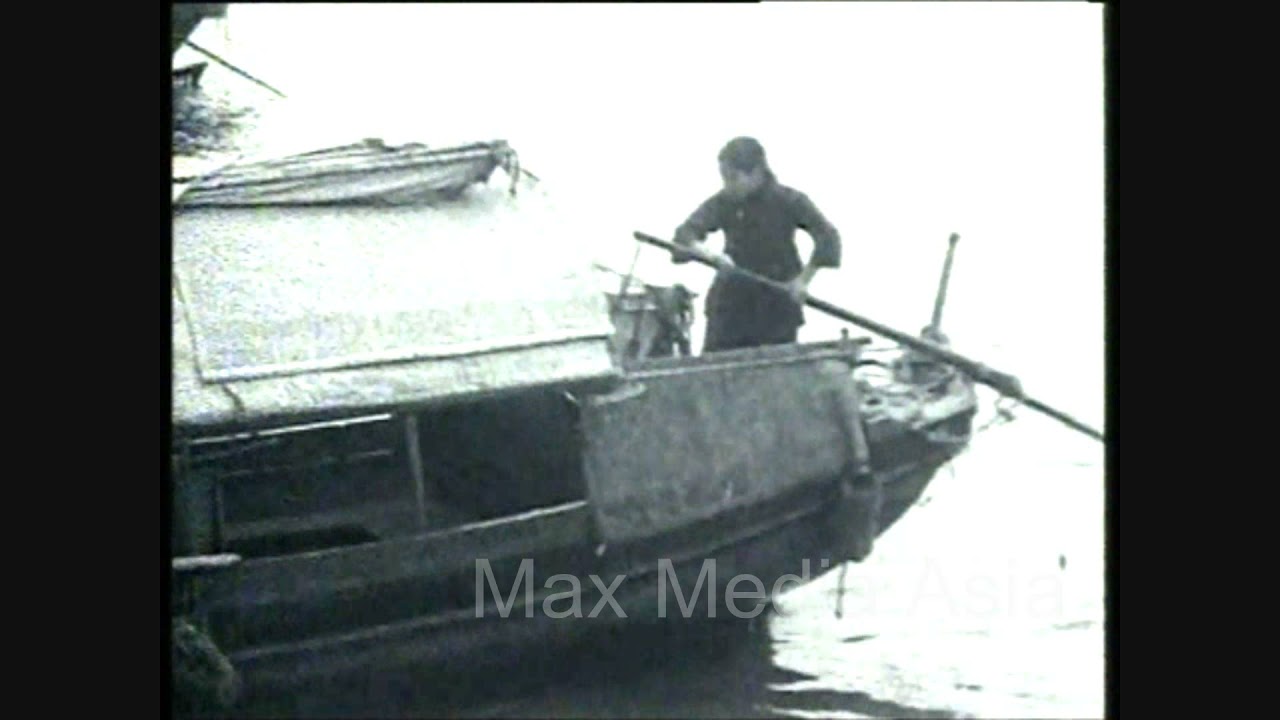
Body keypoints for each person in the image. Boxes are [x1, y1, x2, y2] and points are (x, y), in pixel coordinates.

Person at [671, 136, 842, 353]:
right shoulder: (724, 202)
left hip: (777, 305)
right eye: (724, 178)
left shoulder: (788, 200)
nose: (728, 185)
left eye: (733, 178)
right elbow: (684, 235)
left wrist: (803, 281)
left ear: (757, 173)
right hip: (730, 307)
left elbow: (828, 237)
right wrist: (710, 256)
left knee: (773, 377)